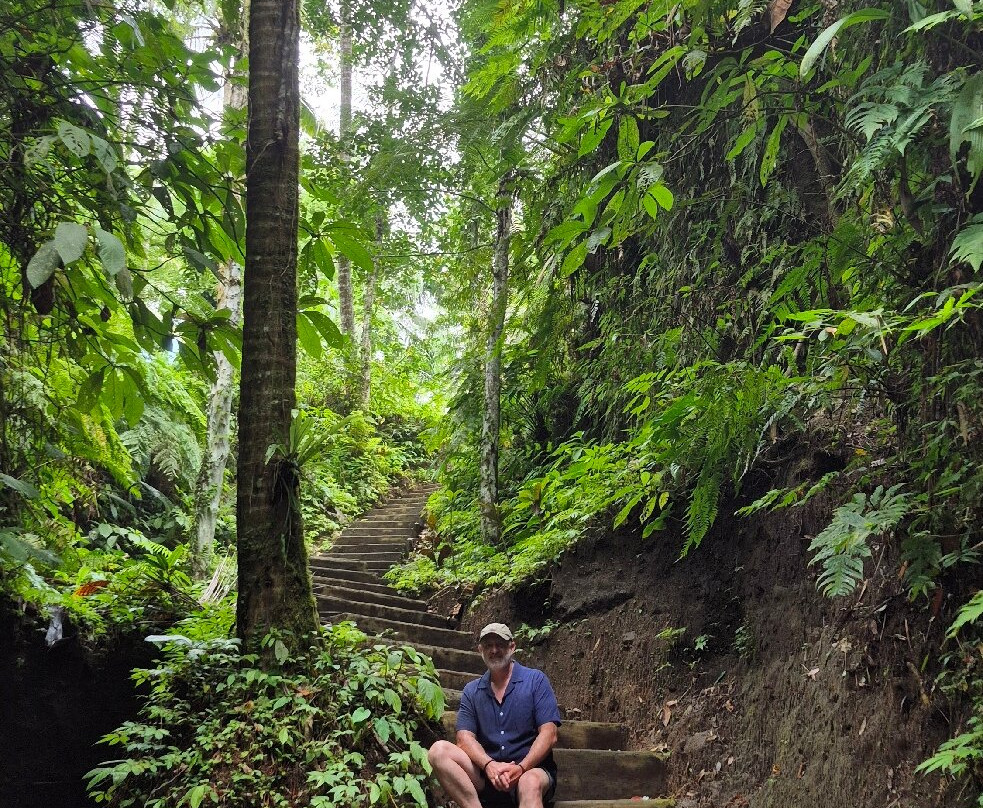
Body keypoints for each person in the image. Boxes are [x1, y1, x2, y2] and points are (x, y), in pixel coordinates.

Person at [428, 622, 562, 808]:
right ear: (480, 649)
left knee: (529, 782)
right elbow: (464, 738)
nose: (494, 650)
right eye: (488, 645)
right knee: (438, 750)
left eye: (500, 644)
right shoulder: (472, 691)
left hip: (530, 772)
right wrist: (489, 765)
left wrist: (521, 767)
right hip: (488, 775)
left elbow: (550, 734)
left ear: (512, 647)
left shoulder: (535, 680)